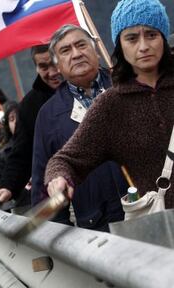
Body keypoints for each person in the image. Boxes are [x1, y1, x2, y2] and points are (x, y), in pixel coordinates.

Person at [45, 0, 174, 210]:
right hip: (163, 230)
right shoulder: (111, 105)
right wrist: (59, 178)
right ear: (120, 45)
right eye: (131, 38)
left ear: (163, 37)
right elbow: (65, 160)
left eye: (151, 34)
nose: (143, 46)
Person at [31, 25, 126, 231]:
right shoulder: (48, 116)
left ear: (96, 52)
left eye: (81, 45)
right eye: (65, 50)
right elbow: (43, 186)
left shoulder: (127, 86)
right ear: (58, 66)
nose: (76, 54)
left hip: (149, 210)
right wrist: (58, 235)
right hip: (97, 229)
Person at [0, 44, 61, 205]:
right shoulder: (29, 106)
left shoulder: (88, 88)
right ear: (36, 68)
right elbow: (22, 152)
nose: (53, 72)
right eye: (43, 67)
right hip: (54, 196)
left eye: (55, 63)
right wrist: (8, 186)